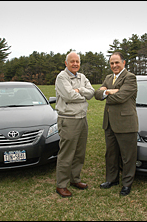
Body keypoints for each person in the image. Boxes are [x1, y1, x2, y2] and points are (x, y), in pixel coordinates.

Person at [94, 52, 138, 196]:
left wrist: (106, 93)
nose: (114, 66)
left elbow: (120, 97)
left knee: (127, 156)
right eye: (112, 63)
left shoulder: (130, 77)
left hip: (126, 122)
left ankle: (127, 183)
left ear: (123, 63)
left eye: (117, 62)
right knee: (111, 154)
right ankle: (112, 179)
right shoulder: (108, 78)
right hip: (109, 123)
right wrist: (110, 91)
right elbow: (97, 95)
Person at [55, 51, 95, 198]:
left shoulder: (82, 77)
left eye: (77, 61)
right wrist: (82, 96)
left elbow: (91, 93)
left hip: (82, 119)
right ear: (66, 63)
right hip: (68, 119)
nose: (75, 64)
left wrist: (81, 91)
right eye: (72, 61)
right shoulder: (61, 77)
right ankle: (61, 185)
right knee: (67, 153)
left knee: (79, 152)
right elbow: (69, 96)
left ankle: (75, 179)